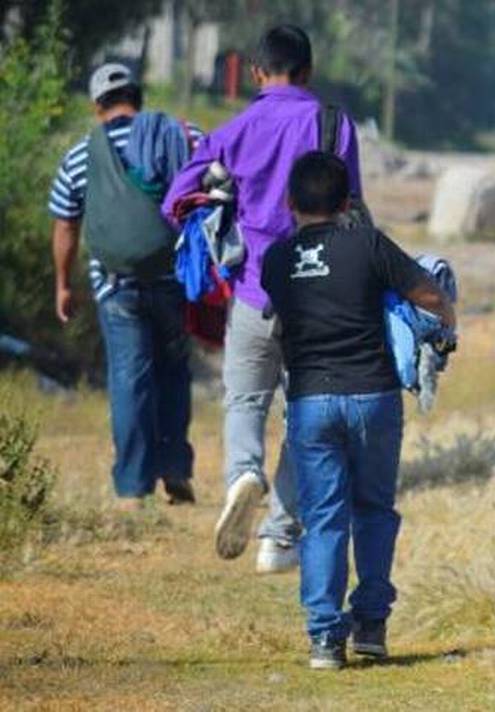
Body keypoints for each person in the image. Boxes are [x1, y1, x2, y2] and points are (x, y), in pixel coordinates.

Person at [164, 25, 364, 573]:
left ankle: (242, 475)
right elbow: (355, 207)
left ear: (256, 73)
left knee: (245, 401)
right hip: (320, 299)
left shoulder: (234, 129)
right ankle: (278, 536)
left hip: (254, 292)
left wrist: (223, 198)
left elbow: (175, 201)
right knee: (307, 415)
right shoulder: (333, 124)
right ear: (308, 70)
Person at [261, 151, 455, 670]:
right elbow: (427, 294)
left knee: (323, 518)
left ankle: (325, 639)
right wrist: (447, 320)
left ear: (289, 203)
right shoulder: (367, 244)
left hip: (311, 401)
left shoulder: (275, 260)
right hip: (373, 397)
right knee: (373, 510)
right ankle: (370, 625)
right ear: (347, 201)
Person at [50, 63, 201, 510]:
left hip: (117, 286)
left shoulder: (80, 154)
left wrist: (63, 284)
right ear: (138, 97)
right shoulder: (180, 136)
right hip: (174, 280)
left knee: (130, 380)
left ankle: (133, 488)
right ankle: (174, 468)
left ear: (98, 107)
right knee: (173, 372)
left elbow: (65, 225)